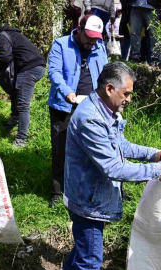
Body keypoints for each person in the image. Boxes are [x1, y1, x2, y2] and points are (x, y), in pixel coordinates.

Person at [52, 62, 161, 270]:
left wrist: (156, 154)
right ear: (109, 88)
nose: (129, 99)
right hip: (88, 201)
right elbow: (113, 166)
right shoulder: (90, 119)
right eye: (127, 93)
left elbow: (121, 146)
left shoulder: (107, 111)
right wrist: (156, 171)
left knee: (83, 249)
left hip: (89, 196)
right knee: (91, 262)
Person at [47, 15, 108, 207]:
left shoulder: (100, 47)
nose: (92, 42)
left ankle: (101, 187)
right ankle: (58, 191)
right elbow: (54, 72)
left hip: (93, 105)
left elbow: (106, 72)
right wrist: (68, 94)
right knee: (61, 147)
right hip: (65, 105)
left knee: (97, 146)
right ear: (79, 29)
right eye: (89, 36)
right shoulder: (61, 44)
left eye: (96, 38)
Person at [0, 22, 46, 147]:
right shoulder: (10, 34)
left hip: (29, 68)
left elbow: (4, 59)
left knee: (23, 103)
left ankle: (21, 139)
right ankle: (15, 118)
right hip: (32, 66)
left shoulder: (1, 36)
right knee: (15, 91)